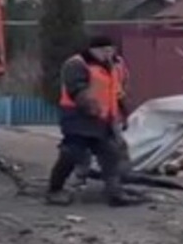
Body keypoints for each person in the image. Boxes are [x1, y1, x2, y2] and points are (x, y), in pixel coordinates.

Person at [46, 35, 139, 207]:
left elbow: (117, 92)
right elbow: (77, 89)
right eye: (104, 50)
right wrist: (90, 107)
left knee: (111, 155)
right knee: (71, 154)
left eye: (111, 50)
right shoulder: (76, 64)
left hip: (104, 120)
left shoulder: (115, 65)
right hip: (78, 119)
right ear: (93, 50)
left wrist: (123, 113)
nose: (108, 54)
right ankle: (55, 189)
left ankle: (114, 193)